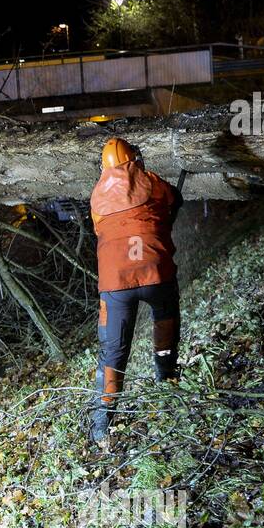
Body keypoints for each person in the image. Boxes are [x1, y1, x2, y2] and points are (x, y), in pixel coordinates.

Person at [88, 137, 183, 441]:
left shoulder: (96, 198)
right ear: (135, 159)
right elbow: (172, 200)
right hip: (155, 271)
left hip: (116, 283)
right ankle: (166, 375)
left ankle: (103, 421)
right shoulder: (151, 182)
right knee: (165, 319)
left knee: (113, 352)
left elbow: (101, 230)